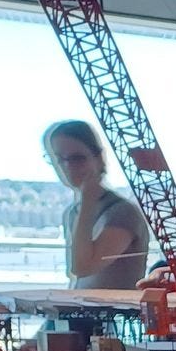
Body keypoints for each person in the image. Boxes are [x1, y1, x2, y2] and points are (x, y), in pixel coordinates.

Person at [43, 121, 152, 291]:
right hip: (83, 305)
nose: (67, 166)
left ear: (99, 159)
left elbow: (82, 267)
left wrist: (87, 204)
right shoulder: (72, 212)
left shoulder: (122, 213)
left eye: (77, 158)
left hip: (115, 308)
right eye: (59, 159)